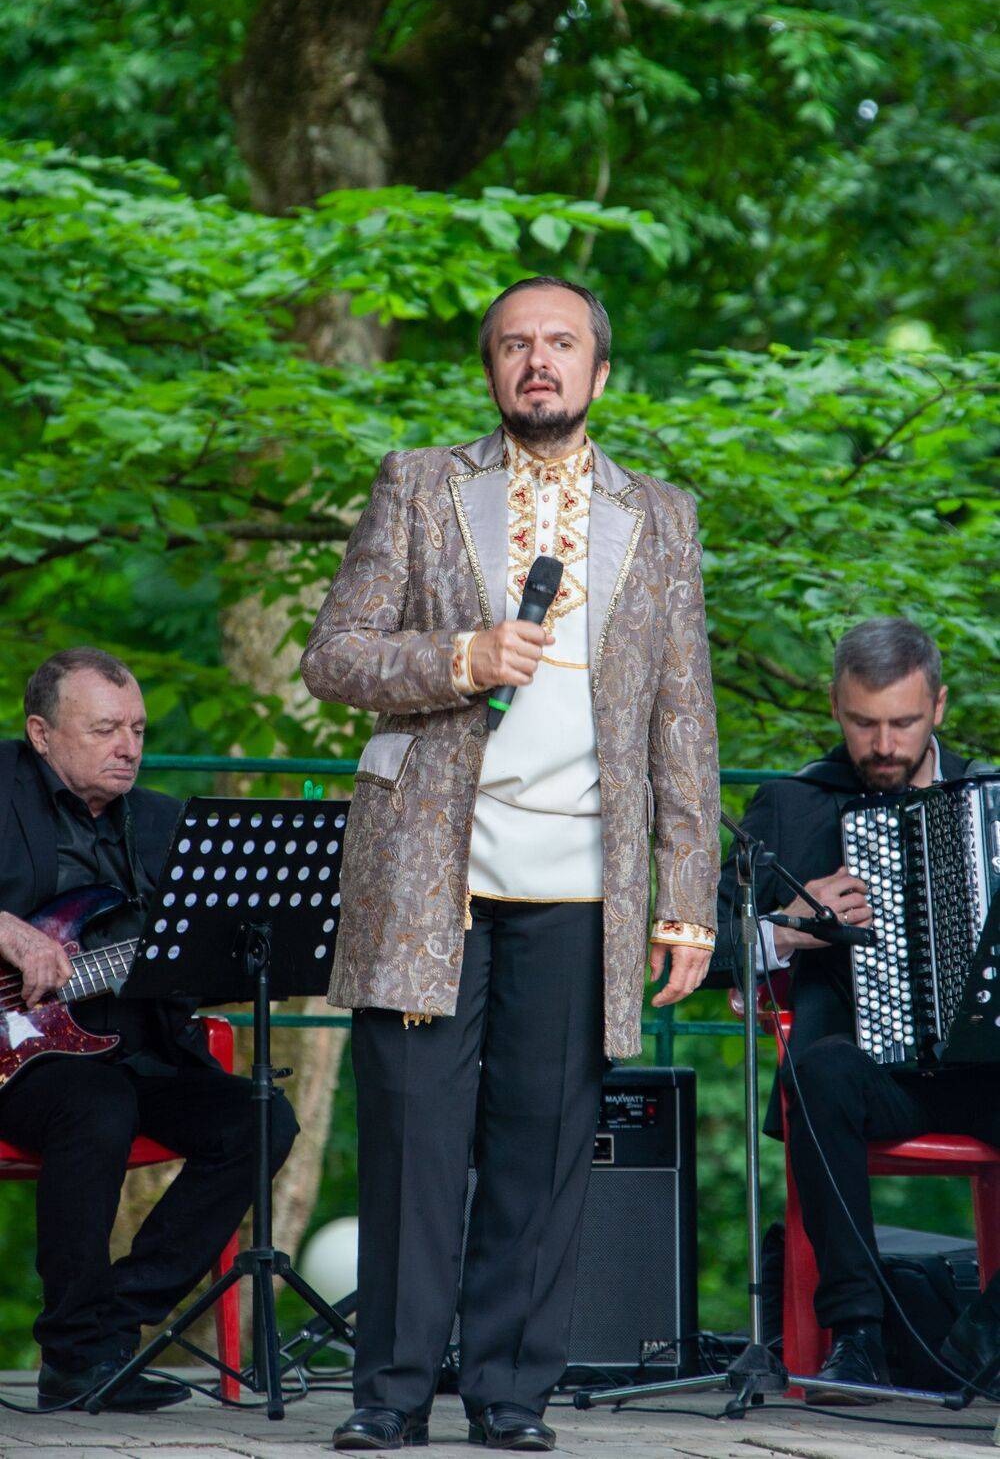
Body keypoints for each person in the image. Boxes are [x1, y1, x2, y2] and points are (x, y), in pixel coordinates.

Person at [302, 276, 721, 1451]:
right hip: (428, 878)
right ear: (489, 368)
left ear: (600, 372)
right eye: (514, 344)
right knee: (410, 1147)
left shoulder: (663, 517)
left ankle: (508, 1397)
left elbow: (683, 717)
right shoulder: (419, 484)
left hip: (582, 883)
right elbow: (334, 658)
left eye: (561, 343)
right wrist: (462, 657)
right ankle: (389, 1399)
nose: (538, 360)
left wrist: (686, 899)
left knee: (541, 1156)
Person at [0, 648, 298, 1411]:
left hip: (143, 1049)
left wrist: (236, 958)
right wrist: (9, 930)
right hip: (21, 1056)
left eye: (136, 729)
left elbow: (207, 958)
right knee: (97, 1105)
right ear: (41, 732)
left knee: (260, 1119)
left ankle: (112, 1324)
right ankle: (73, 1357)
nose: (127, 747)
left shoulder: (164, 823)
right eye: (104, 729)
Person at [709, 617, 997, 1400]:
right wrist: (786, 929)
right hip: (866, 1077)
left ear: (939, 706)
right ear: (836, 707)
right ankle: (857, 1337)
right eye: (864, 724)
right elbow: (700, 945)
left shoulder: (989, 798)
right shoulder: (793, 806)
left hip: (984, 1070)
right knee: (819, 1076)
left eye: (904, 722)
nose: (884, 746)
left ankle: (985, 1332)